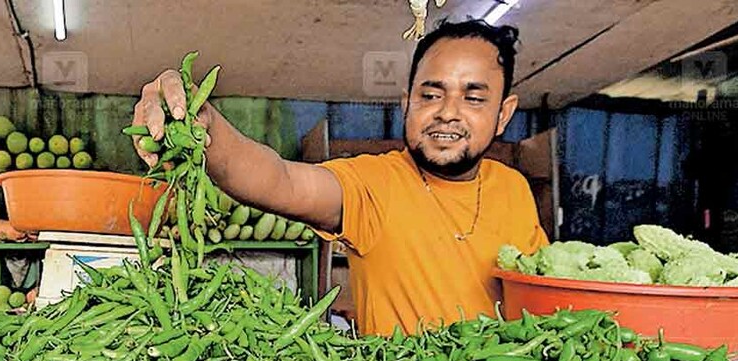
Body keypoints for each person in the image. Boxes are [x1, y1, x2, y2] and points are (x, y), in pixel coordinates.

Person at [131, 19, 548, 336]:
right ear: (407, 103)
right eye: (431, 94)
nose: (448, 111)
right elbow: (278, 181)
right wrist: (205, 126)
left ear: (504, 114)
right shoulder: (375, 184)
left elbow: (541, 296)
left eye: (473, 98)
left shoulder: (513, 188)